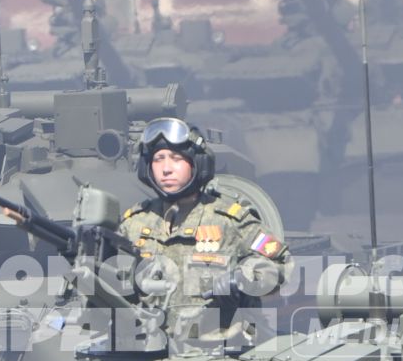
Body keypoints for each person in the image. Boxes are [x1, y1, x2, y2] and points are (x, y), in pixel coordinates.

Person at [114, 117, 289, 345]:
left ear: (196, 163)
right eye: (158, 160)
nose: (166, 169)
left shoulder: (229, 220)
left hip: (224, 355)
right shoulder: (134, 224)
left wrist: (243, 280)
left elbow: (281, 263)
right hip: (153, 352)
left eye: (176, 159)